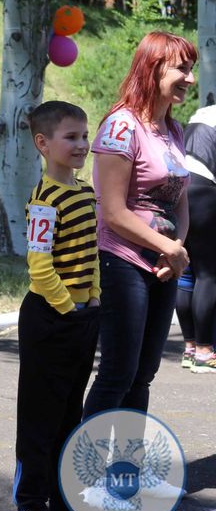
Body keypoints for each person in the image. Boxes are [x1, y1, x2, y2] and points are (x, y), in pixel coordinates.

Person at [83, 31, 195, 418]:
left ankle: (126, 467)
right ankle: (86, 470)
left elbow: (181, 204)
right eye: (182, 68)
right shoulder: (120, 127)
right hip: (122, 260)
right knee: (118, 373)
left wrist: (175, 250)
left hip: (164, 264)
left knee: (143, 375)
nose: (190, 79)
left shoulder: (174, 130)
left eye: (191, 69)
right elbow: (111, 211)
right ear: (153, 68)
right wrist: (170, 249)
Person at [12, 101, 100, 511]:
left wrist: (94, 300)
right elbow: (40, 268)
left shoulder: (84, 193)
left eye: (85, 136)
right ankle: (30, 506)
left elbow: (89, 254)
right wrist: (68, 309)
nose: (82, 144)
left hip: (82, 316)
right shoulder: (45, 200)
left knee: (69, 411)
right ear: (43, 144)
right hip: (51, 317)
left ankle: (63, 502)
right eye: (71, 137)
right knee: (39, 415)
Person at [182, 105, 216, 370]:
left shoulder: (201, 114)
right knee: (208, 274)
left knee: (186, 272)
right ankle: (205, 351)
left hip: (179, 185)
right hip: (204, 190)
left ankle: (190, 347)